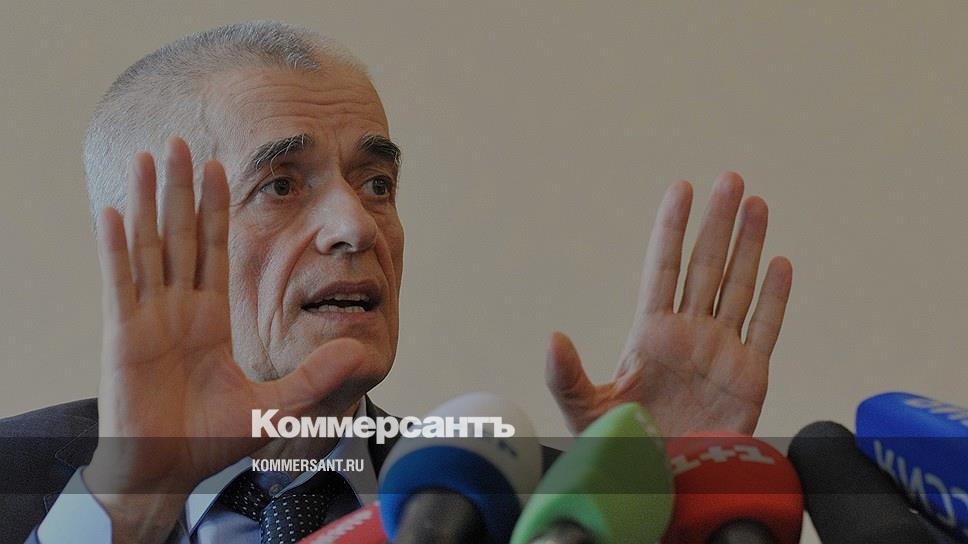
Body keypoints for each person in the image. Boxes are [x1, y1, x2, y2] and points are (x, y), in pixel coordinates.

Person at [0, 20, 792, 543]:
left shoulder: (534, 508)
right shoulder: (20, 482)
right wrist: (128, 507)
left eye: (376, 183)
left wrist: (666, 503)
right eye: (282, 185)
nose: (357, 225)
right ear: (150, 245)